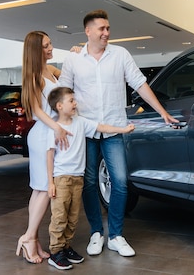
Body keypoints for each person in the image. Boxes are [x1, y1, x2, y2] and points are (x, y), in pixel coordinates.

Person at [59, 9, 178, 257]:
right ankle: (95, 233)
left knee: (121, 182)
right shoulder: (73, 60)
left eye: (108, 28)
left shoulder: (120, 54)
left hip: (114, 128)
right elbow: (62, 92)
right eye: (101, 29)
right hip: (86, 131)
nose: (106, 33)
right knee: (90, 184)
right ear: (88, 31)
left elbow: (140, 83)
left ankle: (115, 235)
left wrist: (162, 112)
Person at [45, 86, 135, 270]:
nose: (75, 103)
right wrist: (50, 182)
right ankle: (55, 252)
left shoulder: (80, 122)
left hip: (78, 178)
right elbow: (49, 155)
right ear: (60, 106)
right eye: (71, 101)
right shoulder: (55, 129)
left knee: (72, 217)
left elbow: (101, 127)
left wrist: (122, 129)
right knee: (59, 216)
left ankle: (66, 247)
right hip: (61, 178)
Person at [16, 31, 71, 264]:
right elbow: (37, 111)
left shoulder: (49, 70)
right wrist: (56, 127)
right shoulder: (34, 75)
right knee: (44, 190)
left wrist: (76, 55)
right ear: (36, 50)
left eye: (50, 44)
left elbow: (67, 74)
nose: (51, 49)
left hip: (50, 134)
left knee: (39, 190)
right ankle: (28, 237)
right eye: (46, 46)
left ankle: (33, 238)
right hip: (43, 135)